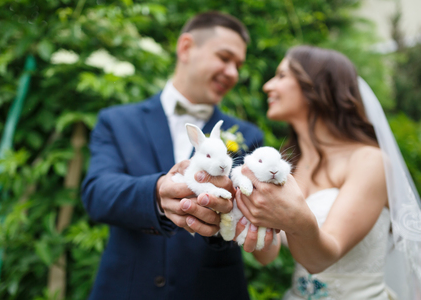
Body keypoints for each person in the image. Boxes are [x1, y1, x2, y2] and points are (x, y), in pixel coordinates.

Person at [81, 11, 266, 300]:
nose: (233, 73)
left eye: (238, 65)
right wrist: (155, 194)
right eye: (225, 58)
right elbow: (97, 192)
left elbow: (256, 214)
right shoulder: (116, 121)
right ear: (186, 48)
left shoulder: (248, 135)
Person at [232, 46, 421, 299]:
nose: (267, 86)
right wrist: (240, 214)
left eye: (282, 75)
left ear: (317, 86)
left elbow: (322, 257)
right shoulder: (288, 165)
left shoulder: (369, 161)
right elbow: (268, 255)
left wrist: (291, 218)